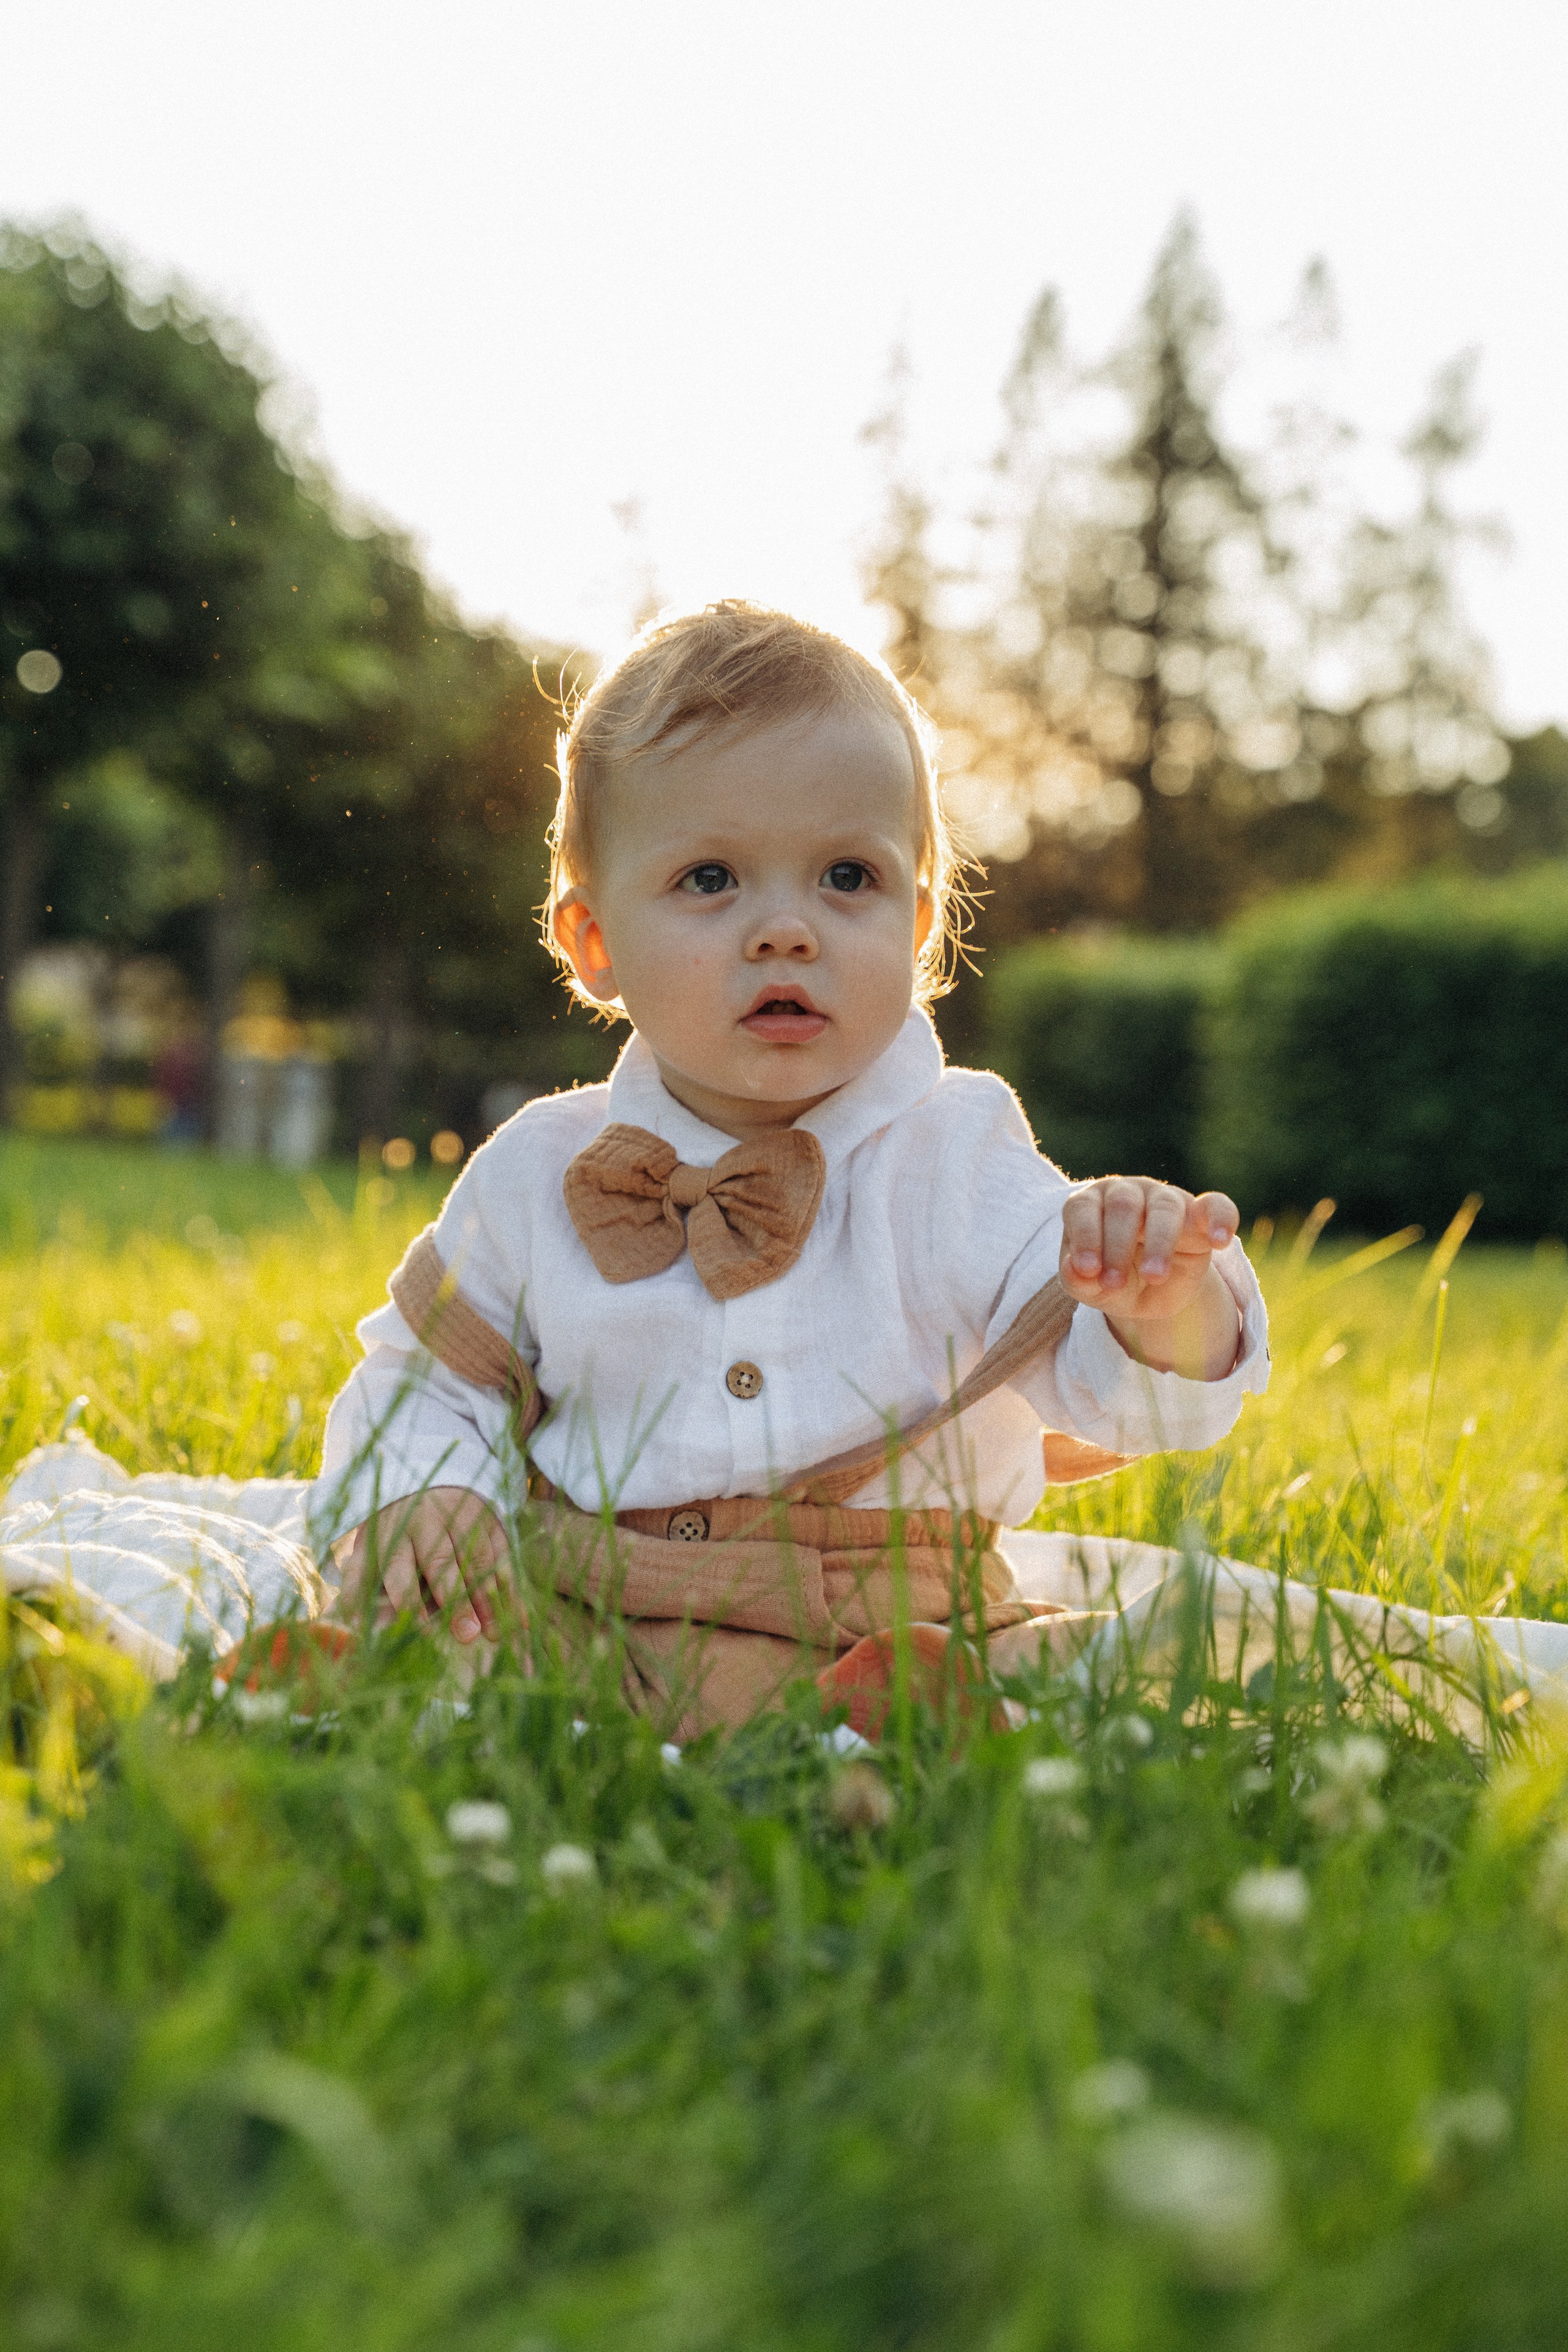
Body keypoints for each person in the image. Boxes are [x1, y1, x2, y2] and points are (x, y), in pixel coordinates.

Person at [310, 603, 1269, 1740]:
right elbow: (426, 1379)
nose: (785, 930)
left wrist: (1159, 1306)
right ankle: (355, 1687)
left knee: (1091, 1685)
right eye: (711, 878)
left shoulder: (961, 1155)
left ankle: (912, 1734)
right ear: (594, 944)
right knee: (440, 1640)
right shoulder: (540, 1170)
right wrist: (424, 1492)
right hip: (586, 1605)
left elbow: (1133, 1398)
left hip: (891, 1618)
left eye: (846, 878)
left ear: (919, 925)